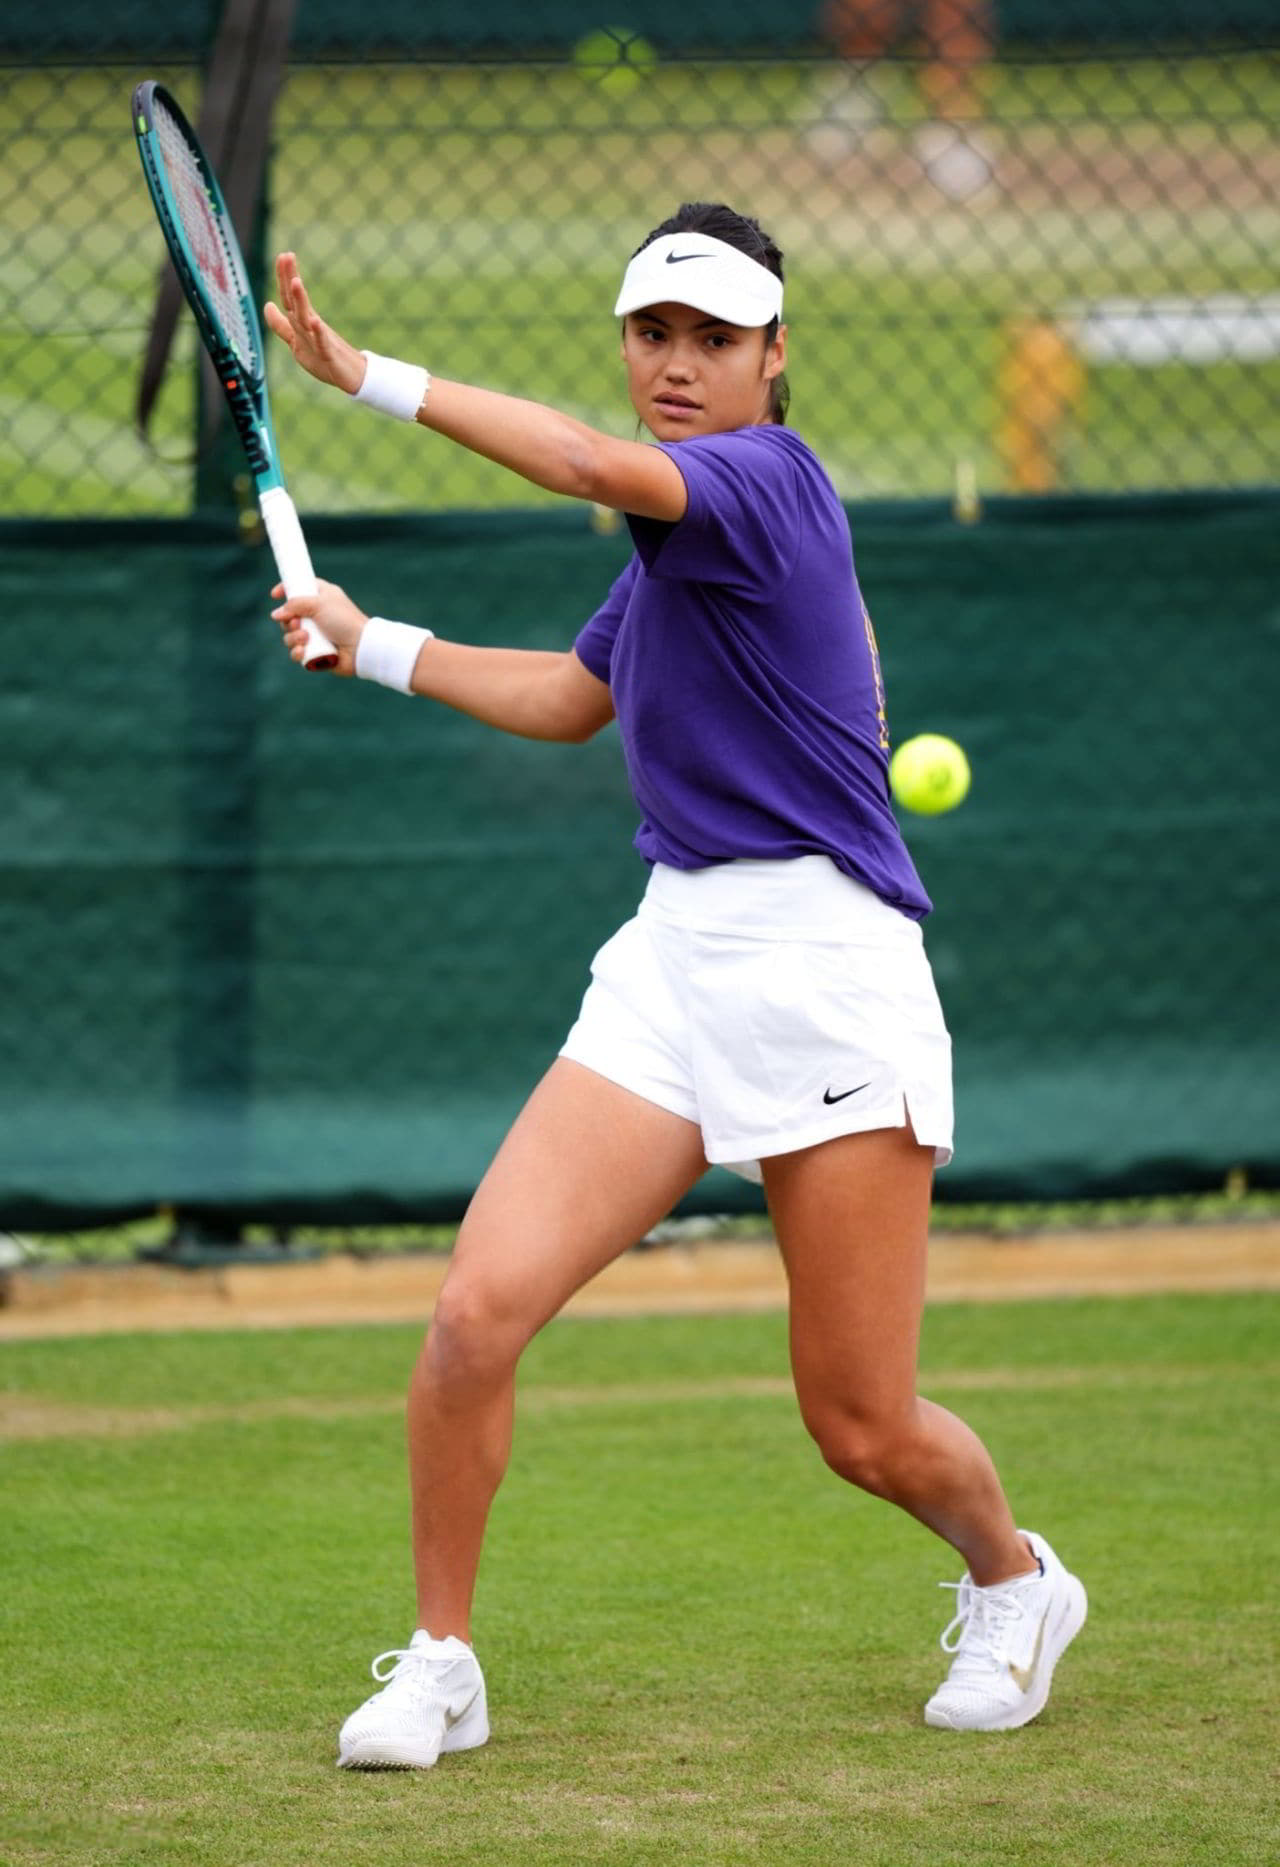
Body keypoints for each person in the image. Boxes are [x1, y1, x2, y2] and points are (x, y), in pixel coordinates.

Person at [264, 201, 1086, 1767]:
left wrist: (363, 374)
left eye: (716, 340)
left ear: (777, 359)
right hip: (674, 962)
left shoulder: (765, 485)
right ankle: (443, 1659)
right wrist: (375, 645)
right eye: (654, 335)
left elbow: (580, 462)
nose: (680, 366)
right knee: (472, 1315)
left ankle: (1018, 1577)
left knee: (860, 1424)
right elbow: (580, 699)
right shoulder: (670, 560)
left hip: (831, 977)